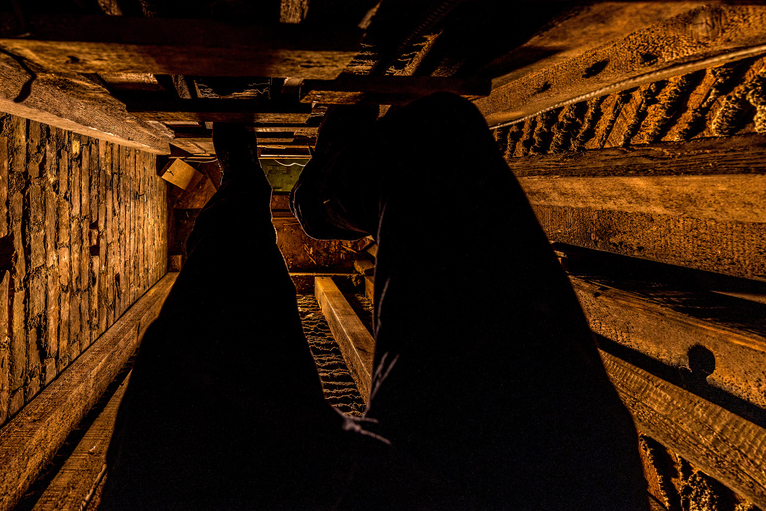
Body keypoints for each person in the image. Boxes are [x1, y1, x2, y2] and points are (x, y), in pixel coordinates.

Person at [100, 93, 648, 510]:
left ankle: (250, 183)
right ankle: (315, 196)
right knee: (436, 134)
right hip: (539, 486)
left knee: (205, 337)